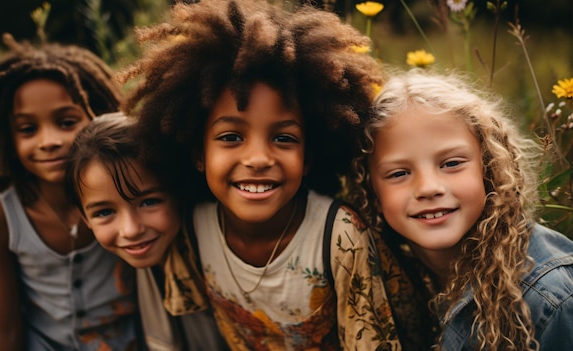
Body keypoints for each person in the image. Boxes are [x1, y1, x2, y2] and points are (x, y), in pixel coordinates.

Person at [118, 0, 431, 349]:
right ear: (198, 154)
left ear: (308, 157)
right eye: (231, 137)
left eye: (283, 138)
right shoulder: (193, 227)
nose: (257, 158)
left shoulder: (340, 237)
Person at [351, 69, 573, 350]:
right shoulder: (392, 280)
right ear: (371, 189)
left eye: (451, 163)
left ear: (489, 167)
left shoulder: (550, 299)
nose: (428, 187)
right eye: (398, 173)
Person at [0, 33, 139, 350]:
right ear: (6, 139)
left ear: (97, 115)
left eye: (66, 121)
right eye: (28, 129)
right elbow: (3, 330)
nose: (48, 141)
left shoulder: (130, 195)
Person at [64, 112, 229, 350]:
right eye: (104, 212)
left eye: (149, 202)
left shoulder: (214, 242)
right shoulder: (140, 260)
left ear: (176, 192)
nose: (130, 230)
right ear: (85, 218)